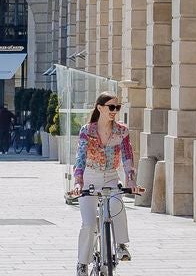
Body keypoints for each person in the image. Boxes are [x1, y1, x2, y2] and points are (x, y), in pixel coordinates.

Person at [69, 92, 144, 276]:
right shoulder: (87, 131)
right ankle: (82, 264)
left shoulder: (122, 131)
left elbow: (127, 157)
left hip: (111, 177)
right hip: (89, 178)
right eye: (111, 107)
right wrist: (78, 183)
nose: (114, 111)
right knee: (88, 224)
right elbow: (80, 158)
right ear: (100, 108)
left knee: (117, 204)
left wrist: (131, 180)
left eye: (117, 108)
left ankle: (120, 245)